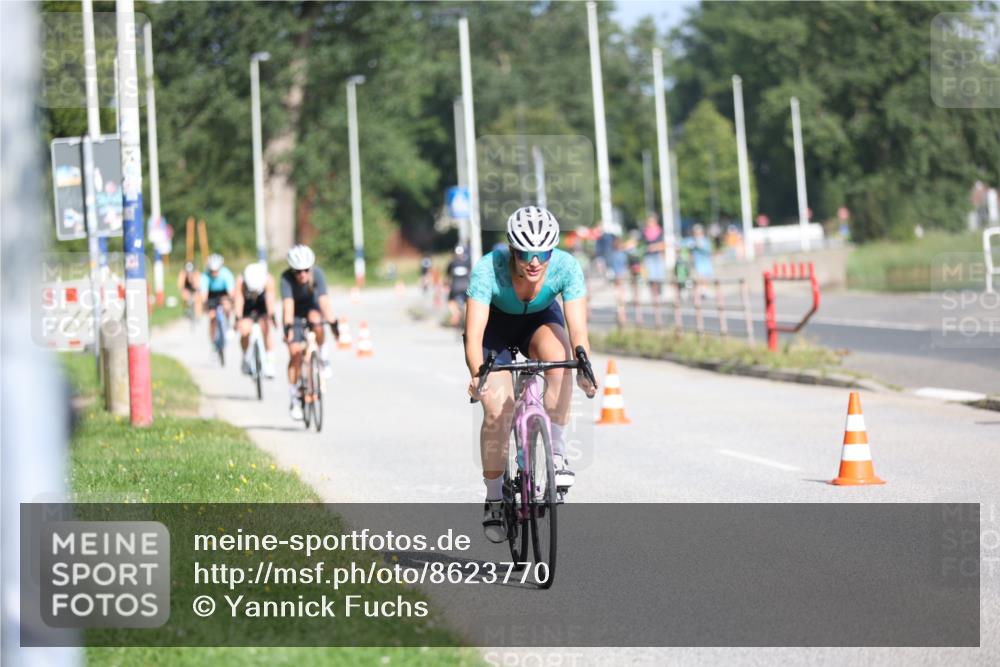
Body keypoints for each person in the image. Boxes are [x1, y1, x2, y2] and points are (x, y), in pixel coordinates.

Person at [464, 206, 598, 543]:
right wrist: (476, 373)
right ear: (512, 249)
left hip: (538, 322)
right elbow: (474, 334)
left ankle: (556, 452)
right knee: (498, 411)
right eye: (526, 253)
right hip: (494, 329)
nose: (535, 261)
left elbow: (578, 330)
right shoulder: (487, 271)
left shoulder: (566, 267)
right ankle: (495, 497)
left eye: (543, 252)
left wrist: (584, 366)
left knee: (561, 358)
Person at [281, 245, 338, 420]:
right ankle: (294, 397)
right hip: (296, 314)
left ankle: (323, 356)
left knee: (317, 320)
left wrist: (334, 324)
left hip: (312, 308)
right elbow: (288, 306)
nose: (302, 274)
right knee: (295, 353)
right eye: (298, 271)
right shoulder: (286, 279)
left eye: (306, 270)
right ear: (292, 270)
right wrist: (288, 328)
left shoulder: (317, 274)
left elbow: (324, 302)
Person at [233, 261, 277, 378]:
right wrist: (238, 318)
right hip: (247, 306)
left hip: (262, 305)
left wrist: (271, 316)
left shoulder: (268, 280)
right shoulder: (241, 281)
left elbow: (270, 299)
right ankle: (246, 356)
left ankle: (269, 361)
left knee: (266, 327)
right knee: (245, 330)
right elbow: (239, 300)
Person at [197, 254, 235, 348]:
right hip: (211, 294)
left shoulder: (226, 274)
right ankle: (213, 343)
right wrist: (205, 305)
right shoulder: (205, 276)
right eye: (212, 271)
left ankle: (228, 323)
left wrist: (231, 301)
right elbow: (204, 294)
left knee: (227, 305)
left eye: (216, 271)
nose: (214, 273)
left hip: (223, 293)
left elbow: (231, 292)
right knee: (212, 317)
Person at [642, 216, 668, 328]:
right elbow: (642, 245)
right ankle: (654, 295)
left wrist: (654, 247)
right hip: (649, 258)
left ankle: (659, 294)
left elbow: (663, 245)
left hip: (657, 256)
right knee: (651, 277)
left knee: (659, 277)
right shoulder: (644, 233)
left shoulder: (660, 232)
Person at [446, 245, 471, 327]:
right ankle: (465, 316)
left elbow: (448, 275)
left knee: (450, 302)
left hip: (455, 287)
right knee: (466, 302)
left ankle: (456, 314)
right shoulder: (467, 262)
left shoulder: (452, 263)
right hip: (466, 286)